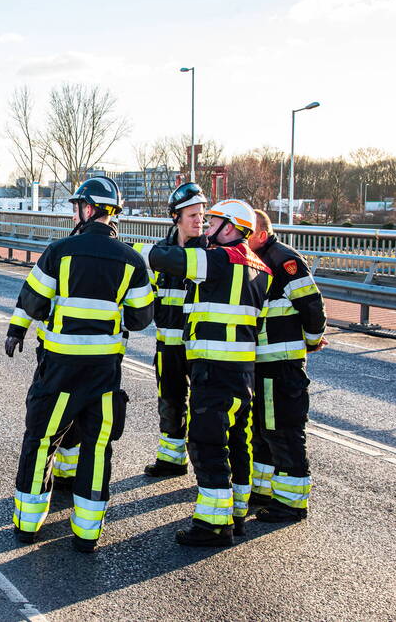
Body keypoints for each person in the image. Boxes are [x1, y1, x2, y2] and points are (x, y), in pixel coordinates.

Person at [6, 177, 154, 552]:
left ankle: (28, 525)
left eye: (77, 206)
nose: (75, 212)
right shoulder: (132, 260)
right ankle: (87, 533)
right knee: (97, 446)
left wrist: (16, 330)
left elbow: (34, 301)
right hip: (104, 372)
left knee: (41, 441)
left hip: (59, 369)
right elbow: (140, 319)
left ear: (88, 209)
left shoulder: (60, 251)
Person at [138, 199, 272, 546]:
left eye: (212, 222)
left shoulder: (219, 259)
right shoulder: (260, 268)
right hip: (243, 372)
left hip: (215, 371)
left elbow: (168, 259)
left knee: (207, 444)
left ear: (231, 227)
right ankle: (236, 513)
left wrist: (132, 249)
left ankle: (213, 524)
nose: (206, 228)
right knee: (238, 444)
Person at [248, 209, 327, 522]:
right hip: (262, 362)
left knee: (283, 429)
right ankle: (264, 490)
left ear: (263, 235)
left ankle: (292, 502)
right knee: (262, 429)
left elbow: (311, 304)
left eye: (247, 232)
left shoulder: (283, 260)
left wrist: (312, 340)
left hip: (280, 363)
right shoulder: (253, 260)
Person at [135, 183, 209, 478]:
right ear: (175, 217)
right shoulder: (161, 254)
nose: (199, 221)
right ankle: (171, 460)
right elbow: (149, 294)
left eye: (201, 215)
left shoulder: (208, 252)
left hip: (202, 347)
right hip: (168, 343)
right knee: (169, 401)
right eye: (192, 215)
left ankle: (208, 469)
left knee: (204, 408)